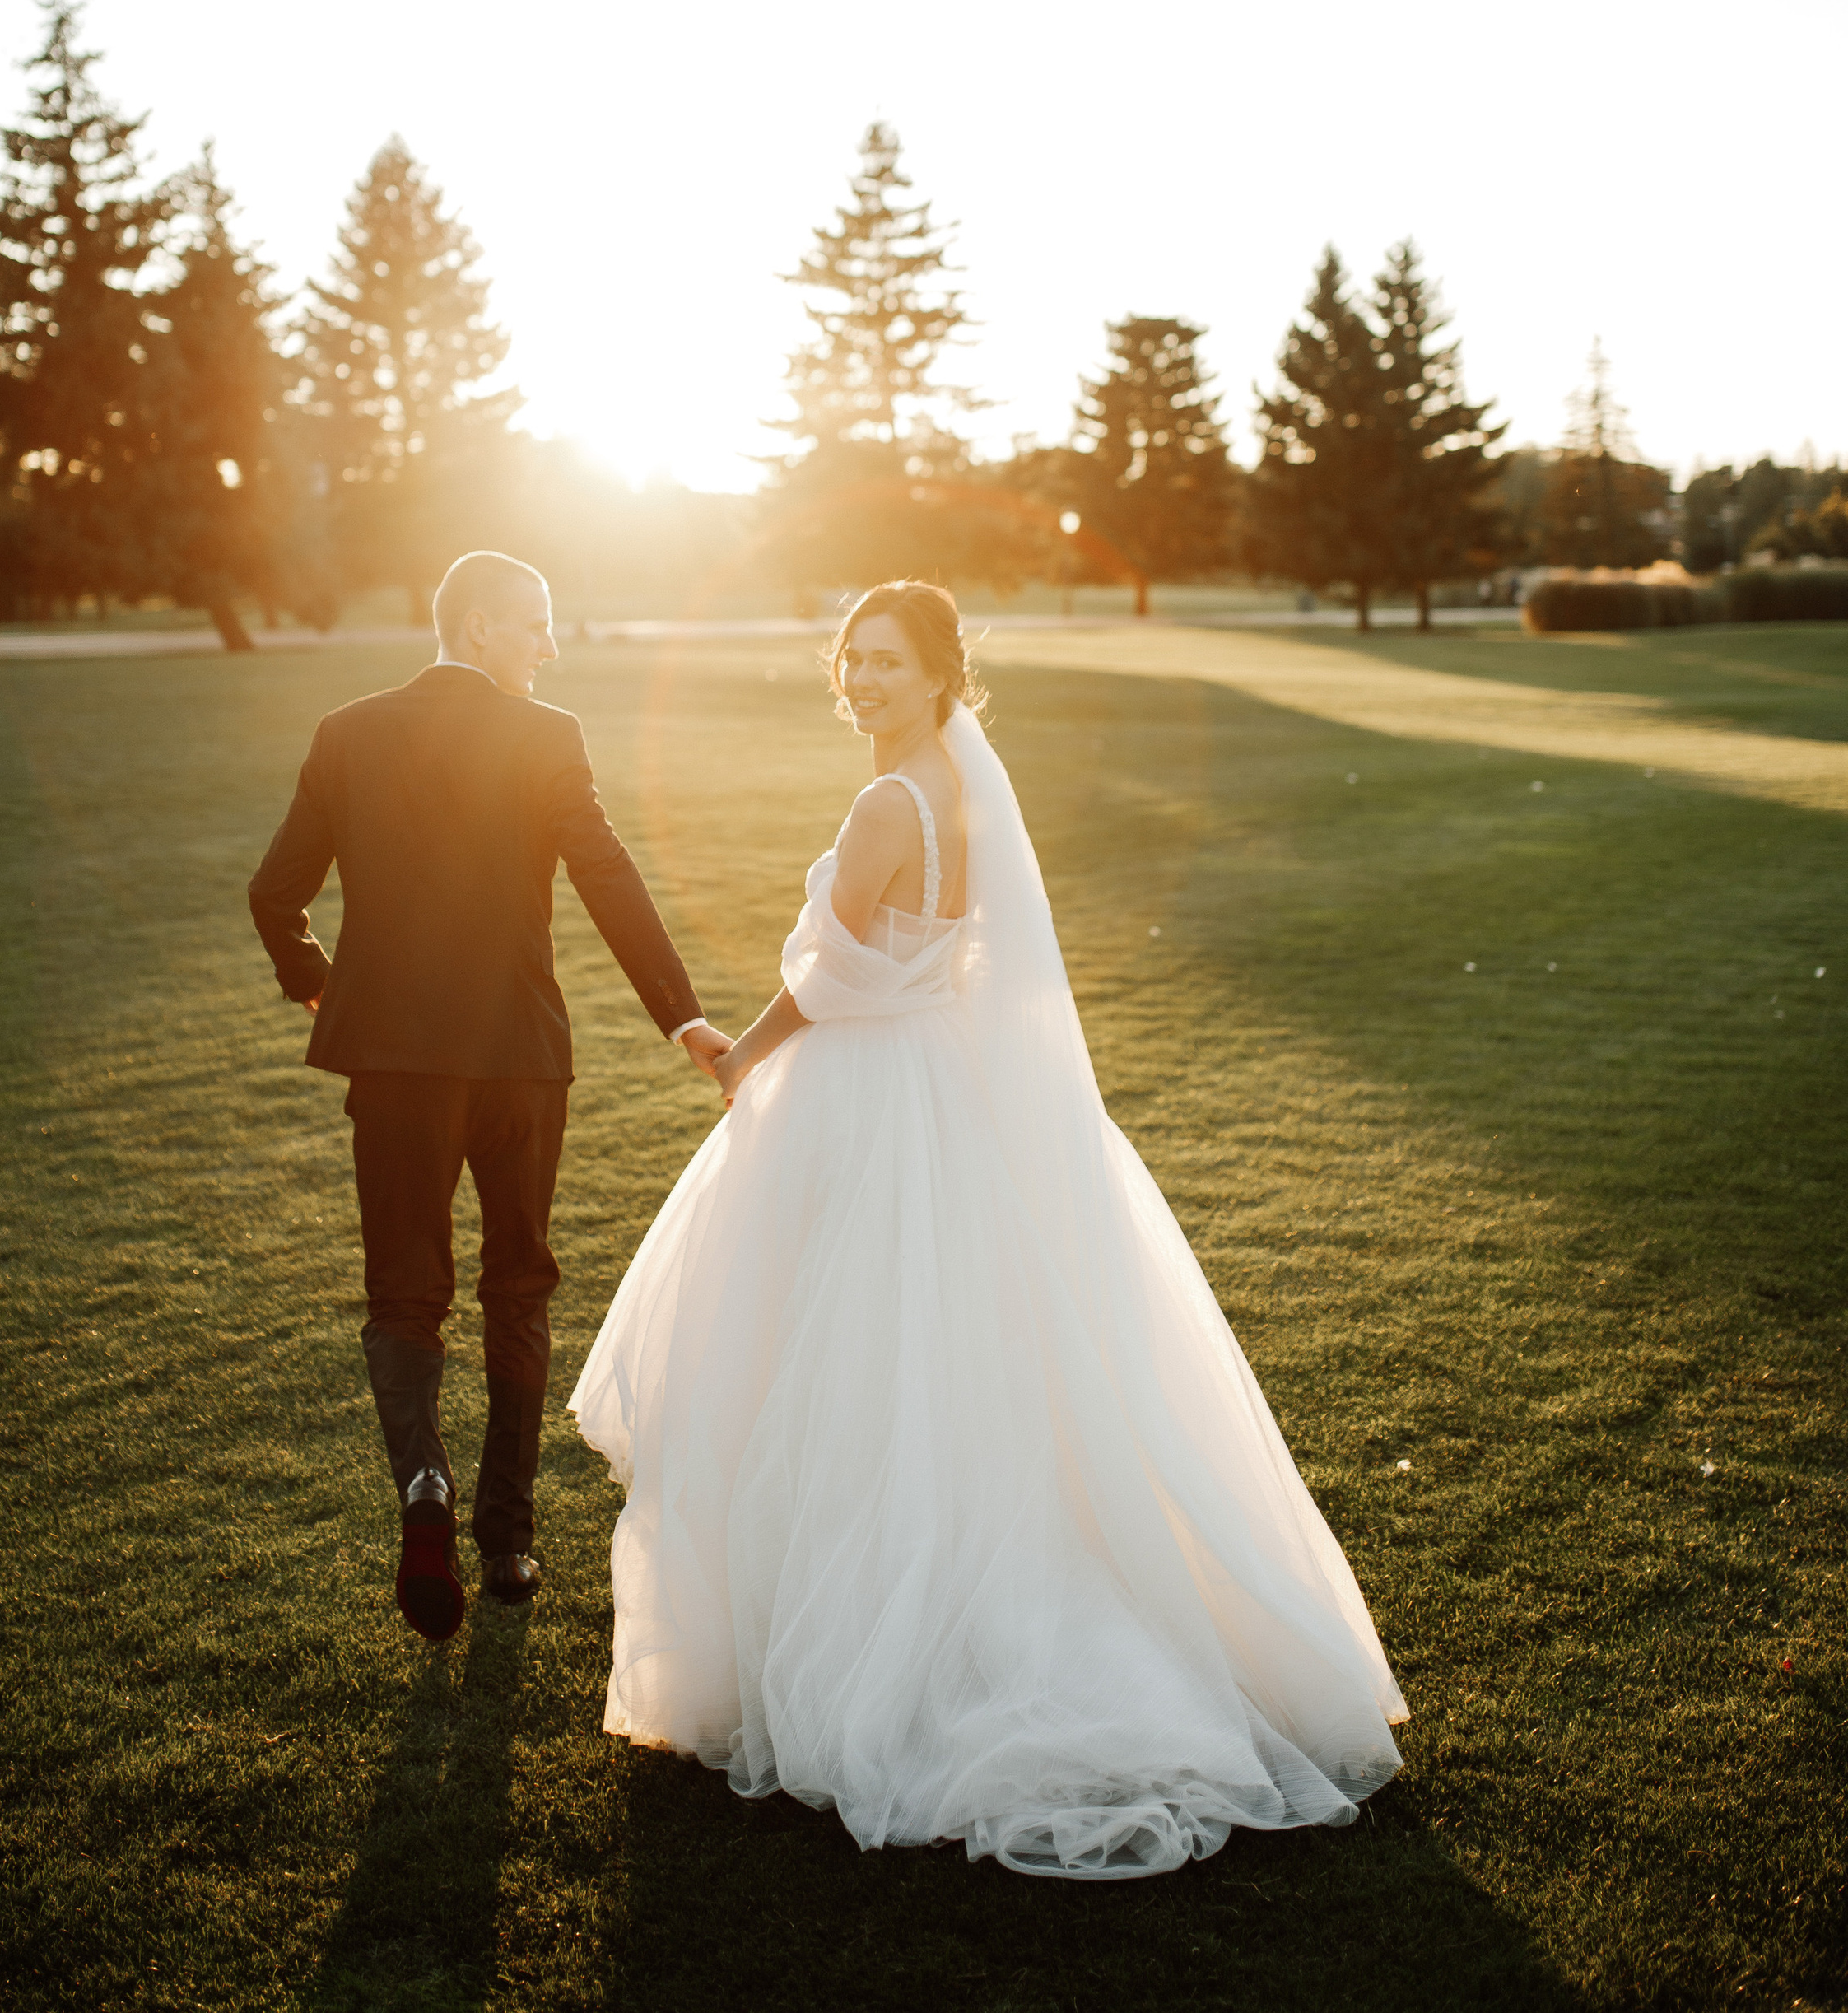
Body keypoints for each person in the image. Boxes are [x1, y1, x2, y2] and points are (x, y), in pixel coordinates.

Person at [570, 579, 1407, 1880]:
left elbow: (834, 975)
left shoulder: (888, 802)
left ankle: (872, 1652)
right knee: (960, 1355)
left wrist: (745, 1053)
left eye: (888, 664)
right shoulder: (962, 795)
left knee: (839, 1360)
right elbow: (948, 954)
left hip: (865, 1091)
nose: (861, 681)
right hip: (946, 1078)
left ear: (943, 676)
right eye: (850, 660)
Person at [249, 552, 731, 1645]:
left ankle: (425, 1485)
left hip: (396, 1066)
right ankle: (508, 1540)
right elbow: (607, 871)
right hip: (520, 1060)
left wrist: (321, 985)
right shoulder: (546, 736)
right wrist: (681, 1015)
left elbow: (274, 893)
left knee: (404, 1296)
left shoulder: (346, 732)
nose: (549, 646)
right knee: (519, 1285)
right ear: (472, 628)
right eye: (533, 625)